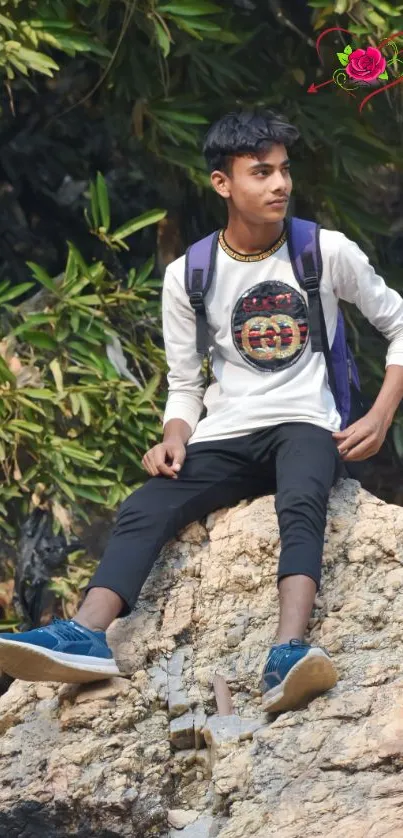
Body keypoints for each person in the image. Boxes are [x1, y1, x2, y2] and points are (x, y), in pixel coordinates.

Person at [1, 109, 403, 714]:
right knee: (144, 505)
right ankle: (86, 634)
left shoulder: (323, 250)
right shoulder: (189, 274)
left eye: (284, 171)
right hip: (227, 432)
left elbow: (398, 322)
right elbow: (185, 383)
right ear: (223, 184)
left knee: (301, 501)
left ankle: (288, 650)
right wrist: (173, 435)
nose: (280, 185)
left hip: (304, 424)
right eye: (261, 172)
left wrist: (381, 414)